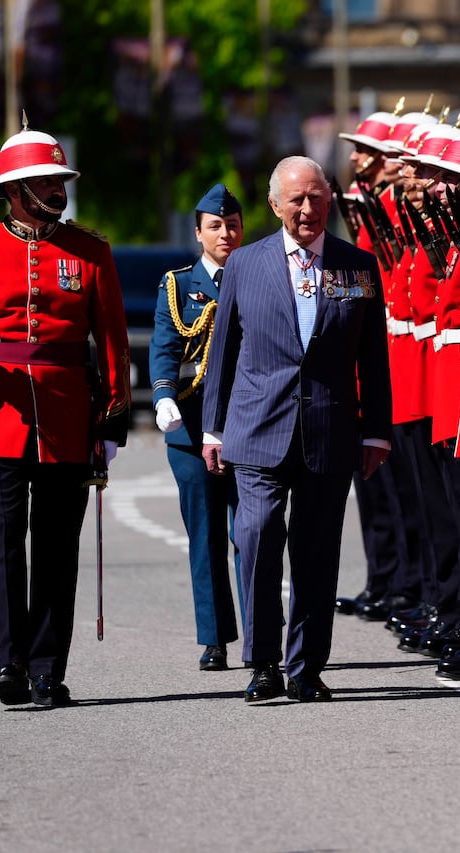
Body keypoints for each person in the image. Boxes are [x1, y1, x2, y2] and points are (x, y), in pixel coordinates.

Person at [0, 121, 130, 708]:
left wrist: (112, 413)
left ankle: (47, 669)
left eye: (60, 179)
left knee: (57, 545)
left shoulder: (90, 251)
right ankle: (8, 662)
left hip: (68, 414)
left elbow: (112, 337)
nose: (57, 190)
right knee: (3, 540)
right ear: (15, 190)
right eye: (44, 180)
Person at [201, 155, 391, 703]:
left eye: (317, 197)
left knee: (316, 551)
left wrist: (376, 430)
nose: (307, 209)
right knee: (256, 538)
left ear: (330, 198)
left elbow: (372, 357)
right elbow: (224, 354)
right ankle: (263, 664)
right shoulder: (245, 264)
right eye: (296, 200)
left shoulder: (356, 267)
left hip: (330, 430)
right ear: (275, 205)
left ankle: (306, 666)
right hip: (258, 428)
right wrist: (213, 429)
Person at [149, 183, 245, 672]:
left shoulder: (257, 275)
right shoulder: (178, 284)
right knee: (206, 537)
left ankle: (261, 635)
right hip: (190, 427)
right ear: (198, 233)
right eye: (215, 226)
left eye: (232, 225)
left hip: (247, 427)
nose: (225, 233)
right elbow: (164, 347)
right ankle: (214, 639)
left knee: (252, 534)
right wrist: (163, 395)